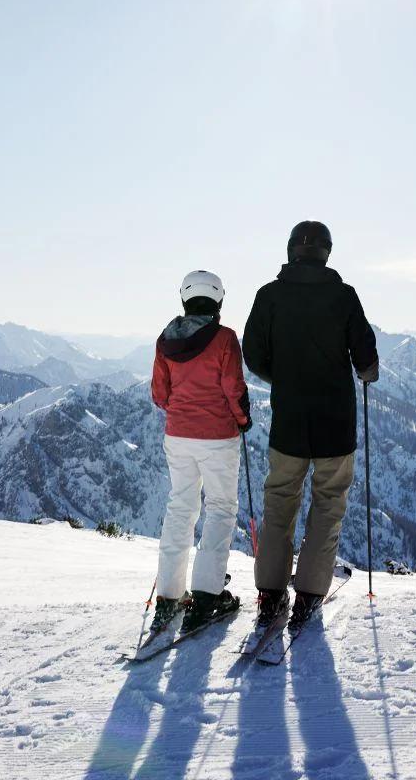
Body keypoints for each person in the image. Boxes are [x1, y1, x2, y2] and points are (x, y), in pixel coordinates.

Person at [242, 220, 379, 634]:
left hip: (289, 422)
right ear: (326, 253)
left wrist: (282, 378)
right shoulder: (344, 296)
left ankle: (270, 592)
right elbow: (366, 360)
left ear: (291, 251)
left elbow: (253, 355)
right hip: (336, 425)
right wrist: (365, 372)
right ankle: (309, 594)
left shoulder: (269, 296)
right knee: (328, 504)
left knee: (280, 503)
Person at [150, 269, 253, 635]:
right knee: (220, 509)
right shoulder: (224, 339)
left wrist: (183, 412)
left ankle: (168, 597)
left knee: (180, 507)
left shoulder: (166, 339)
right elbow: (233, 387)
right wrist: (243, 419)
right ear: (218, 300)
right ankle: (207, 597)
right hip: (218, 437)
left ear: (185, 298)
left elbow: (159, 394)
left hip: (178, 435)